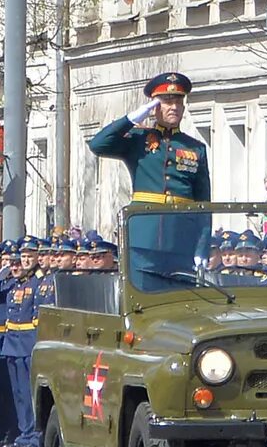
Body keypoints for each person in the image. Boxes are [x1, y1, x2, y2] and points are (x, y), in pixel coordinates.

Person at [90, 73, 212, 288]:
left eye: (178, 102)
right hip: (144, 237)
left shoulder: (195, 147)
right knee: (143, 298)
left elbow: (204, 204)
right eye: (167, 102)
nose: (174, 107)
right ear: (155, 107)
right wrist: (131, 120)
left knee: (181, 301)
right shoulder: (137, 140)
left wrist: (202, 247)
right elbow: (98, 144)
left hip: (181, 237)